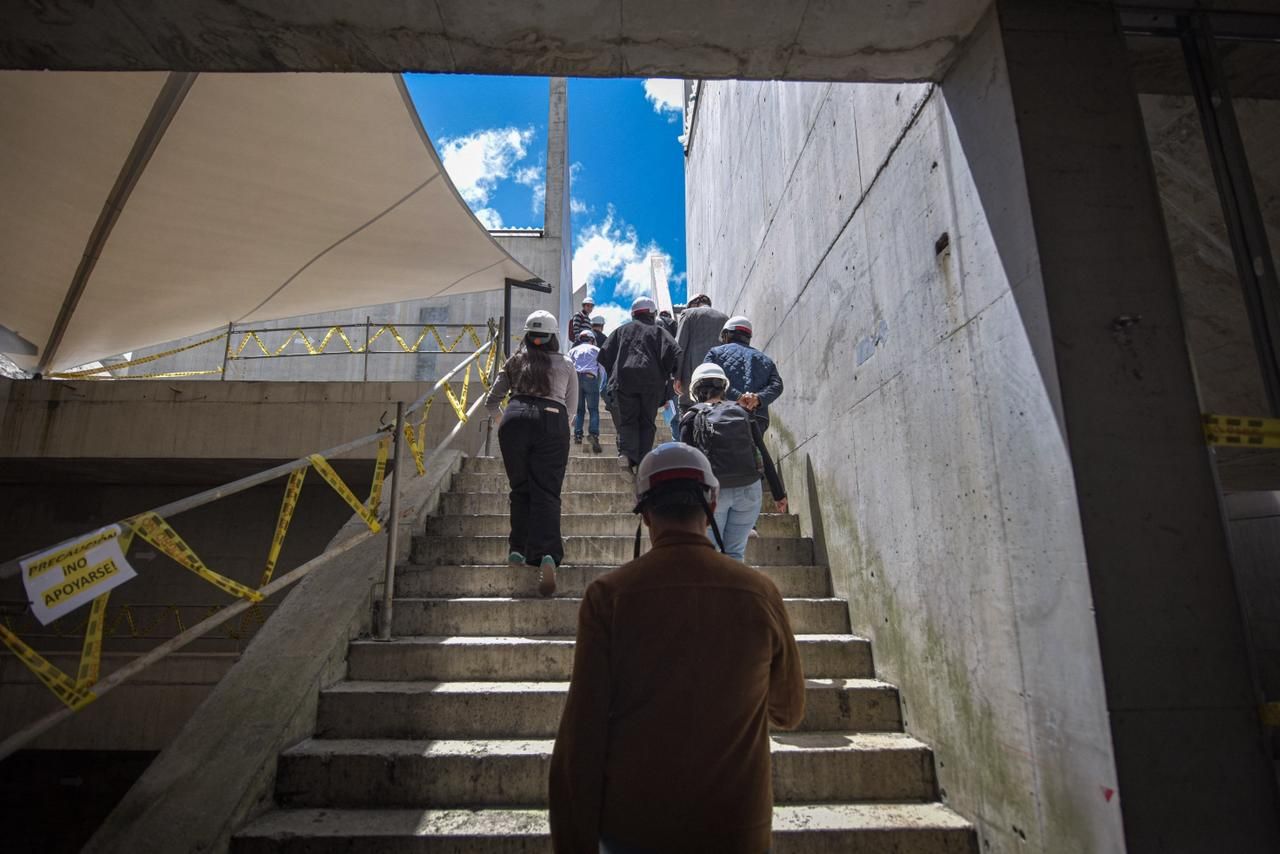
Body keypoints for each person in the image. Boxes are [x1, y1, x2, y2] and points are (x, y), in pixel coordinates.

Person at [548, 443, 805, 854]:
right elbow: (788, 712)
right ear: (712, 501)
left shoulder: (607, 597)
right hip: (738, 830)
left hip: (635, 829)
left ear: (645, 513)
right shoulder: (761, 594)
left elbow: (582, 738)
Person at [484, 310, 577, 597]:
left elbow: (491, 401)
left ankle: (518, 549)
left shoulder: (514, 362)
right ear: (553, 338)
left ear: (527, 336)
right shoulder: (566, 365)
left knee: (520, 488)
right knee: (546, 491)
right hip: (552, 418)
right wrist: (557, 428)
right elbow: (571, 410)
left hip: (515, 418)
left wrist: (505, 421)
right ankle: (547, 554)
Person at [680, 362, 787, 562]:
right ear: (724, 387)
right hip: (749, 491)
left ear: (695, 390)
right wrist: (778, 493)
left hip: (713, 494)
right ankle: (734, 592)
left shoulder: (691, 416)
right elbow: (761, 452)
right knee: (735, 553)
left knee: (710, 555)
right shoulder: (743, 412)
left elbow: (686, 466)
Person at [597, 296, 680, 480]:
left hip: (624, 382)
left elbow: (603, 356)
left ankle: (626, 455)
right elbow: (674, 355)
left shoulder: (621, 330)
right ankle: (643, 463)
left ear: (633, 314)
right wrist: (670, 375)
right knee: (647, 422)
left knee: (628, 420)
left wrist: (616, 371)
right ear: (652, 313)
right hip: (651, 384)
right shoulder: (659, 332)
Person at [703, 315, 784, 434]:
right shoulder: (766, 360)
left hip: (723, 414)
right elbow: (777, 386)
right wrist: (757, 399)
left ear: (726, 334)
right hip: (758, 417)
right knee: (752, 451)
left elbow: (708, 379)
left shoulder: (714, 353)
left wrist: (738, 397)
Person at [673, 292, 728, 416]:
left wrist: (677, 376)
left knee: (689, 417)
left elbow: (679, 347)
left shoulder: (688, 314)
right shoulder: (725, 318)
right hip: (718, 381)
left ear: (694, 303)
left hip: (691, 379)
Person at [568, 329, 603, 453]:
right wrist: (601, 384)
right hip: (590, 378)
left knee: (579, 410)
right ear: (592, 339)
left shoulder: (572, 351)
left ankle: (578, 435)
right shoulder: (596, 350)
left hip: (576, 379)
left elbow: (568, 366)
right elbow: (602, 368)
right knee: (593, 409)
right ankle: (593, 434)